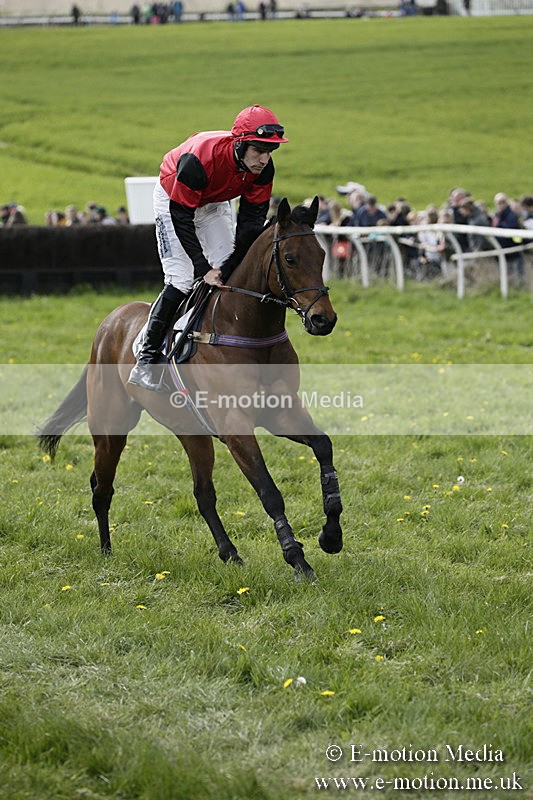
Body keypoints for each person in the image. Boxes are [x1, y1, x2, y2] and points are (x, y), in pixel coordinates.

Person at [128, 104, 288, 391]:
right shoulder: (198, 160)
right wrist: (203, 268)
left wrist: (227, 267)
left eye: (270, 152)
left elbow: (250, 223)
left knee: (231, 273)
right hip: (173, 199)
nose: (264, 159)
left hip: (213, 202)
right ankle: (147, 358)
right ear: (240, 144)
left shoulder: (262, 169)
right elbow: (182, 217)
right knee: (181, 279)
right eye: (258, 151)